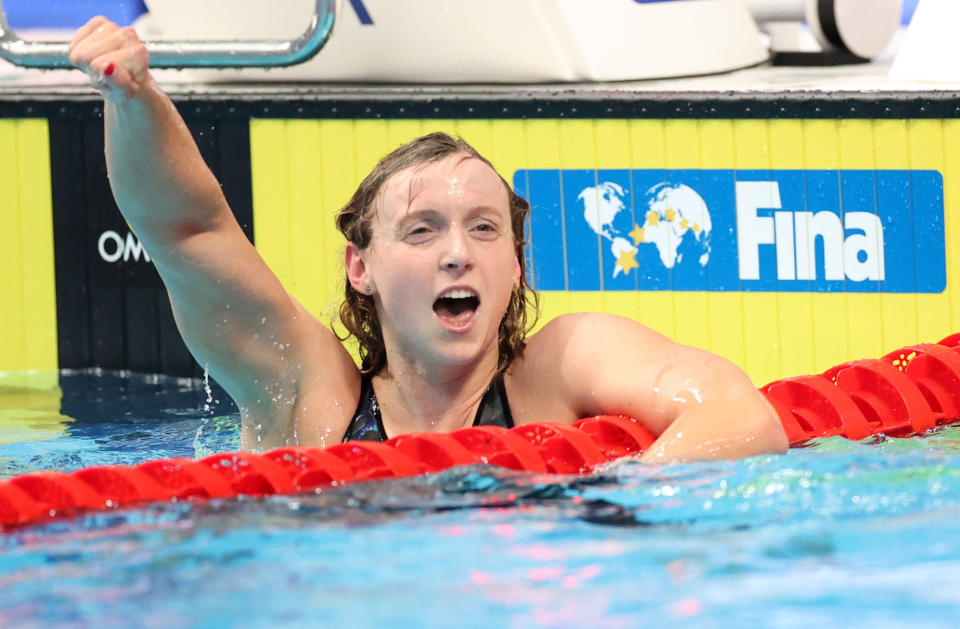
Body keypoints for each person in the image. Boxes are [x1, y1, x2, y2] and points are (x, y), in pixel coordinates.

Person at [68, 17, 788, 462]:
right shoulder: (309, 397)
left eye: (484, 228)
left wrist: (631, 491)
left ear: (514, 262)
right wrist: (133, 98)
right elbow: (189, 231)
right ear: (361, 266)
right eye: (421, 230)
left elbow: (737, 411)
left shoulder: (560, 367)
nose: (457, 251)